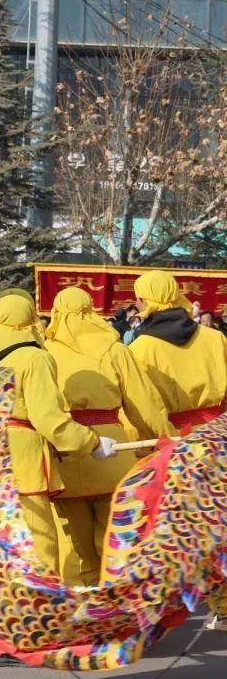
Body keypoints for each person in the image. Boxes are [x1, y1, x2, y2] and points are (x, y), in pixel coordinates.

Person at [0, 293, 111, 574]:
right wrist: (91, 441)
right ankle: (37, 597)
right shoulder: (34, 358)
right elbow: (48, 419)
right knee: (38, 543)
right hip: (22, 458)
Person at [43, 287, 175, 585]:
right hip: (115, 455)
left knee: (74, 545)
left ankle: (80, 603)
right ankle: (116, 600)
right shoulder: (114, 349)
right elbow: (144, 404)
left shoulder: (45, 352)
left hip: (66, 454)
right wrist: (163, 439)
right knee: (116, 541)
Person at [126, 270, 227, 632]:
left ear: (145, 300)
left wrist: (148, 447)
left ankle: (170, 603)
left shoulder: (140, 349)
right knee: (219, 522)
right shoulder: (215, 337)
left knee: (179, 528)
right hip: (219, 435)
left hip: (176, 442)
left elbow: (140, 405)